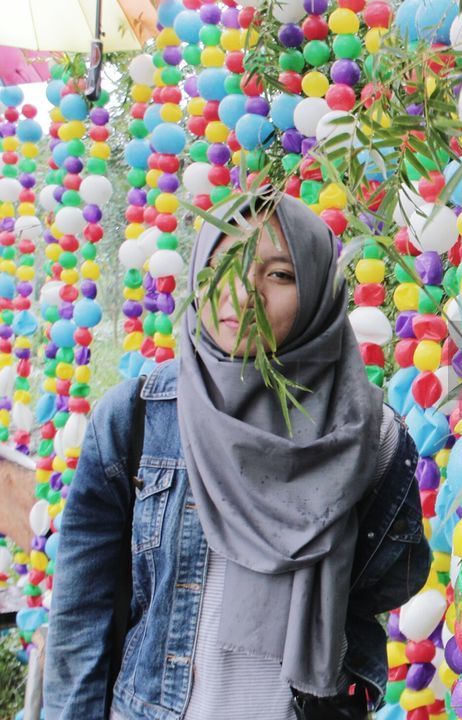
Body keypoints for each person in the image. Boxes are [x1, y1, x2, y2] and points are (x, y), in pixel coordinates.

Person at [43, 190, 430, 719]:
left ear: (318, 289)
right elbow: (80, 614)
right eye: (227, 263)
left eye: (280, 274)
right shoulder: (137, 420)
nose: (245, 294)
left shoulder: (371, 438)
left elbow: (388, 581)